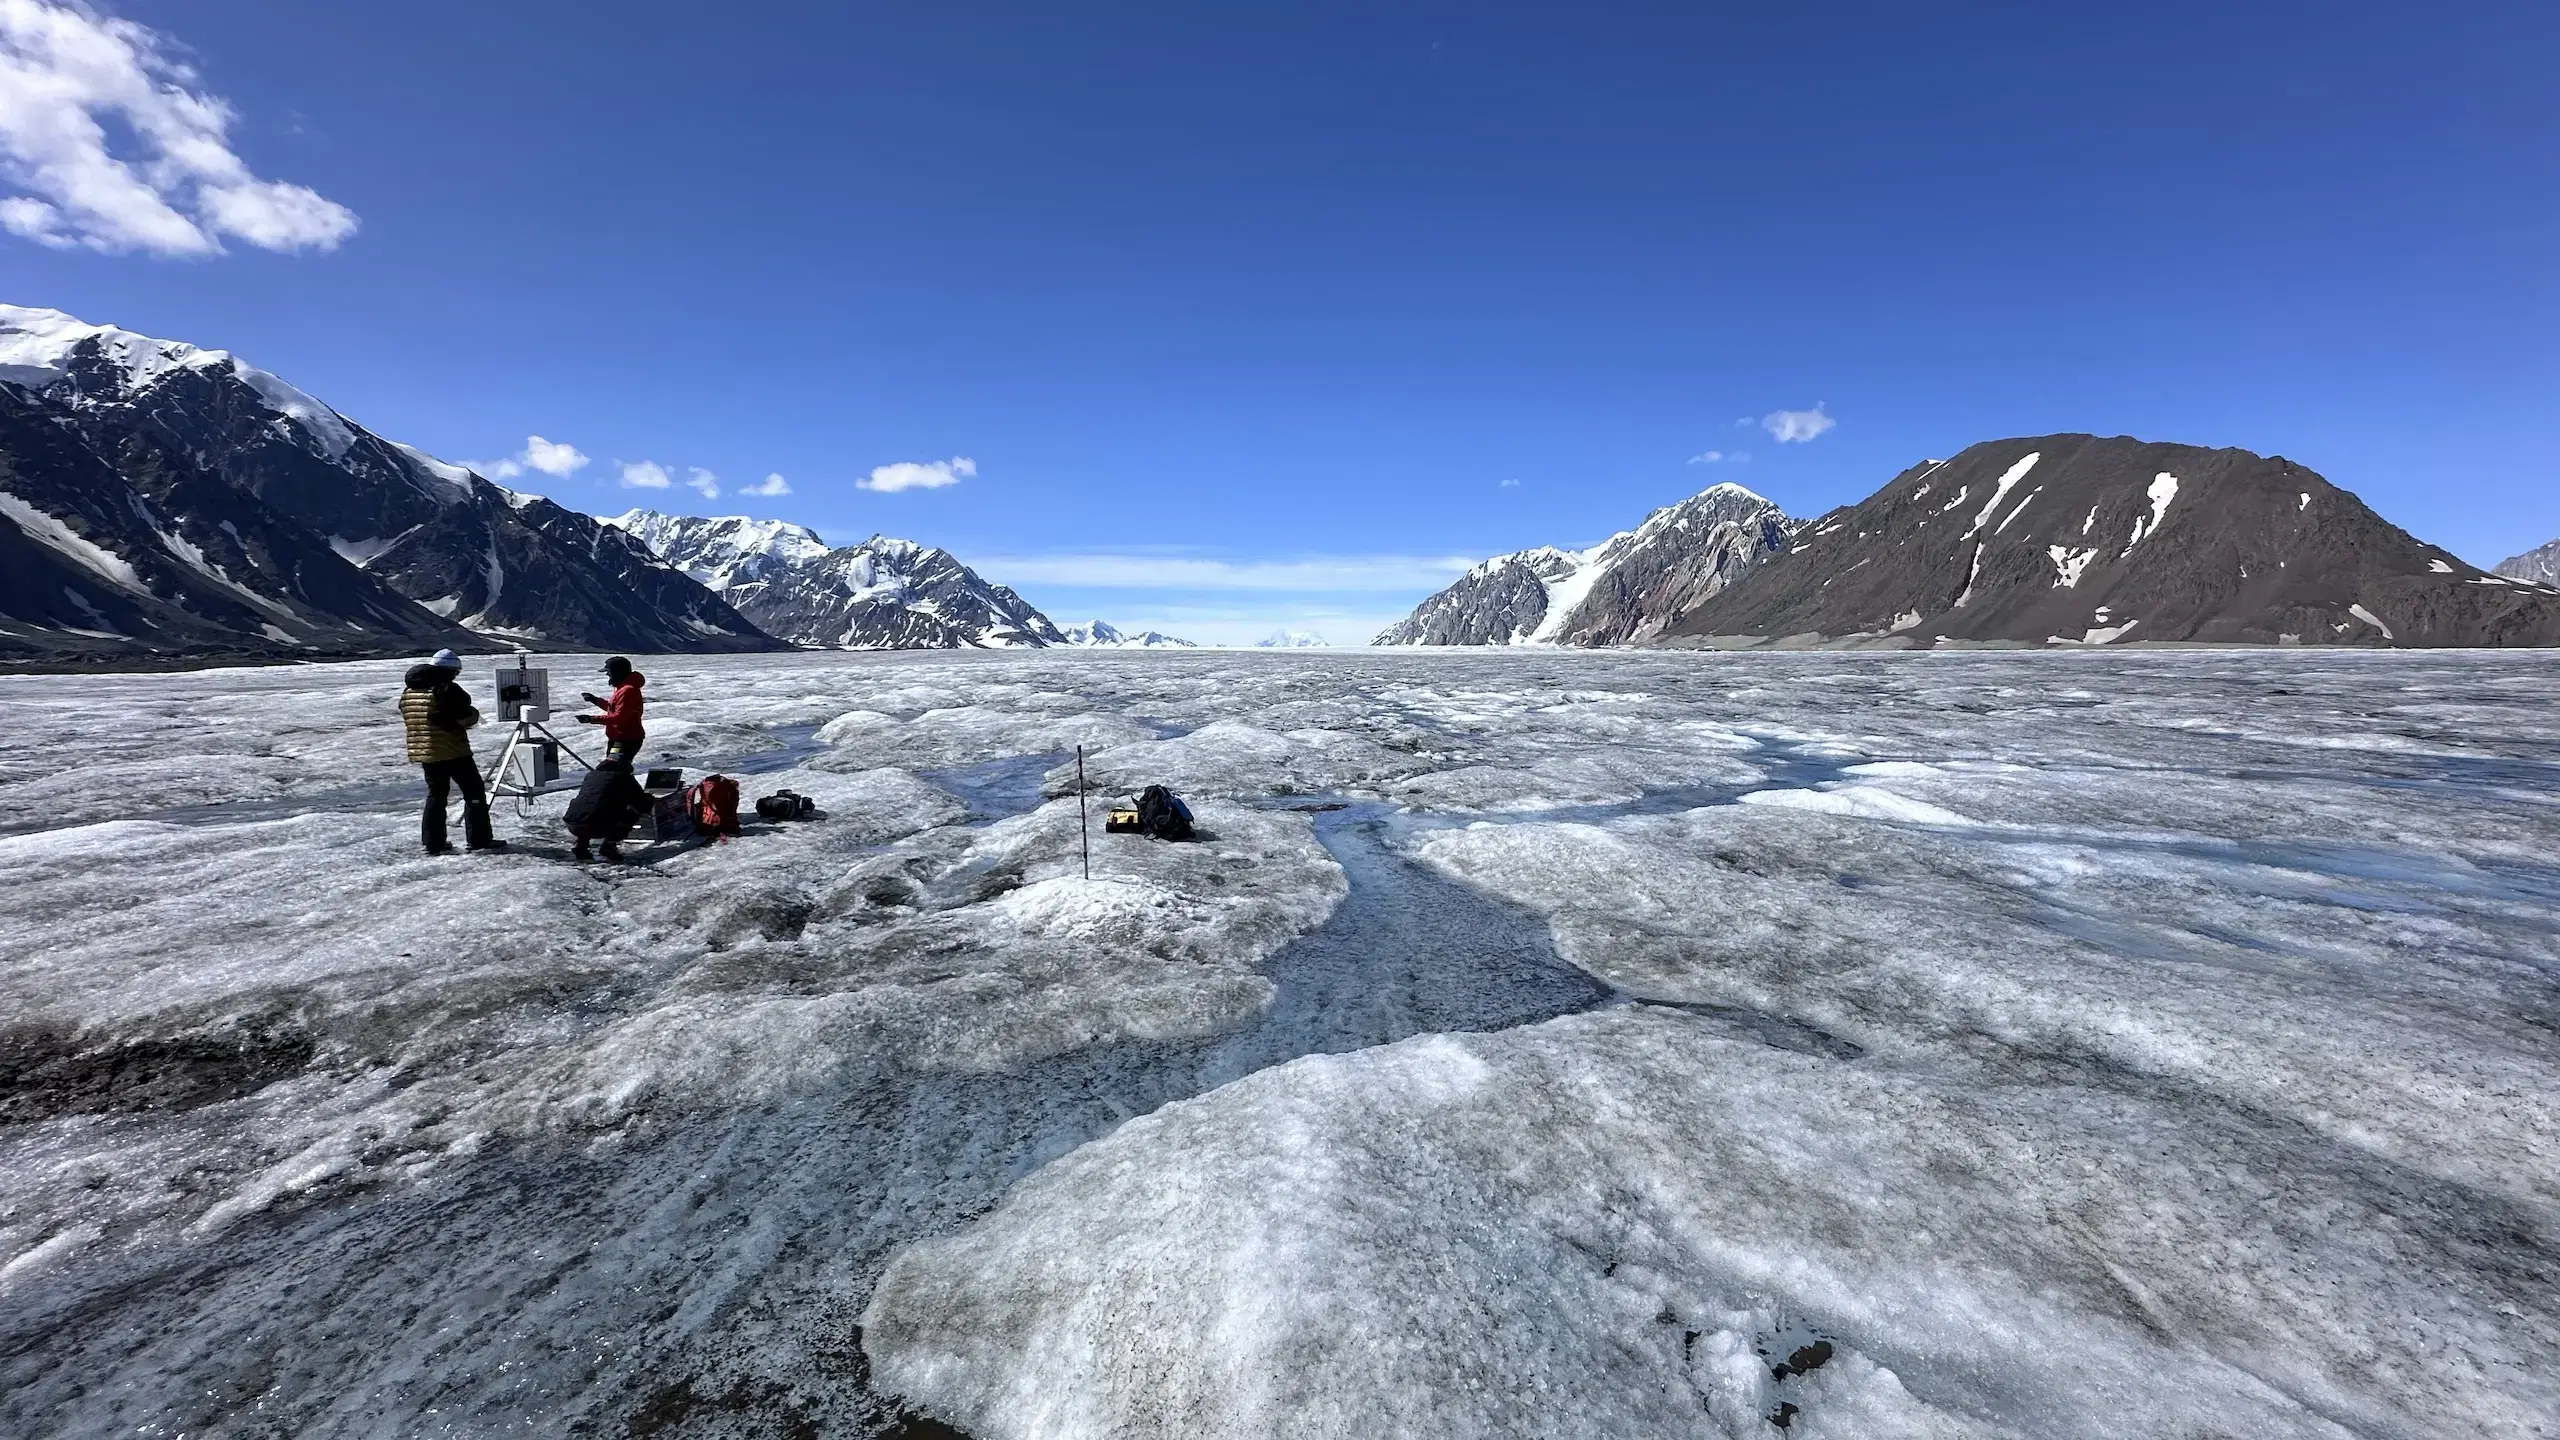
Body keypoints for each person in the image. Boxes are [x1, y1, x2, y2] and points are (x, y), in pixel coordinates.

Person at [401, 648, 504, 855]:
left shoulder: (409, 691)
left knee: (436, 795)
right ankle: (479, 839)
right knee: (473, 792)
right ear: (450, 670)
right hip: (454, 751)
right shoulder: (446, 689)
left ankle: (433, 843)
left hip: (425, 751)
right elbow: (464, 716)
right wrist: (472, 716)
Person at [563, 754, 654, 863]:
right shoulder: (624, 777)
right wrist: (651, 799)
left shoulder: (591, 775)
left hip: (573, 824)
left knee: (590, 809)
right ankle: (609, 845)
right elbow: (641, 802)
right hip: (599, 827)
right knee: (631, 813)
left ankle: (581, 845)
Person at [579, 656, 646, 762]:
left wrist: (590, 719)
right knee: (616, 767)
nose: (607, 674)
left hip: (625, 740)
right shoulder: (622, 688)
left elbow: (619, 718)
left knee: (613, 767)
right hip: (619, 739)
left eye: (609, 671)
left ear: (617, 672)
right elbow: (614, 709)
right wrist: (595, 700)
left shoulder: (628, 690)